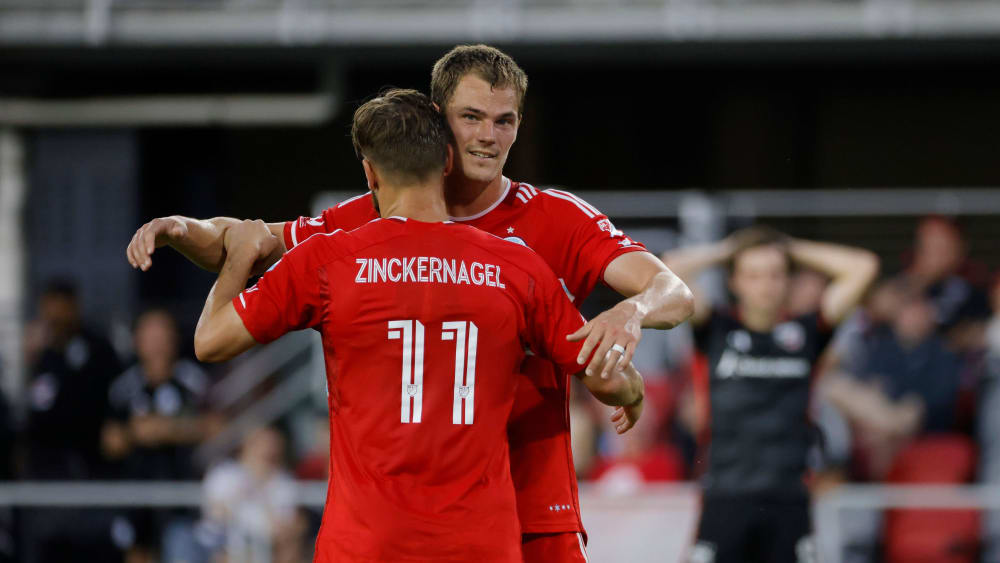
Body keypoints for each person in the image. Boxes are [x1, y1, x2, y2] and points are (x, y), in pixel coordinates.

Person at [127, 43, 693, 560]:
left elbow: (674, 292)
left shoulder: (555, 218)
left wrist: (632, 309)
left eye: (505, 121)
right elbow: (247, 240)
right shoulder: (369, 220)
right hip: (433, 519)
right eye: (472, 117)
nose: (489, 137)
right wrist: (181, 227)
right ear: (438, 121)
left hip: (533, 509)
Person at [662, 227, 878, 563]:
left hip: (789, 503)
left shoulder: (808, 333)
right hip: (724, 500)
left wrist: (790, 246)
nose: (765, 285)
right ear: (735, 282)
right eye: (753, 275)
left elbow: (863, 267)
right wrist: (729, 249)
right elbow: (668, 267)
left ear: (788, 281)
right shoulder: (714, 329)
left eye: (775, 274)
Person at [20, 279, 124, 563]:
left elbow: (106, 405)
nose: (54, 319)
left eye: (60, 311)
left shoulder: (98, 349)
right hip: (46, 477)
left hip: (90, 473)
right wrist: (29, 360)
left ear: (73, 308)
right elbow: (32, 412)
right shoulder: (41, 356)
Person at [103, 308, 213, 560]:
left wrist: (168, 429)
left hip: (183, 493)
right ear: (137, 342)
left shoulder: (194, 381)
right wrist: (134, 433)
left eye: (163, 337)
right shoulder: (124, 387)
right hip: (136, 492)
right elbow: (110, 441)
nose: (157, 346)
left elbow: (216, 426)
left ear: (175, 340)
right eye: (150, 338)